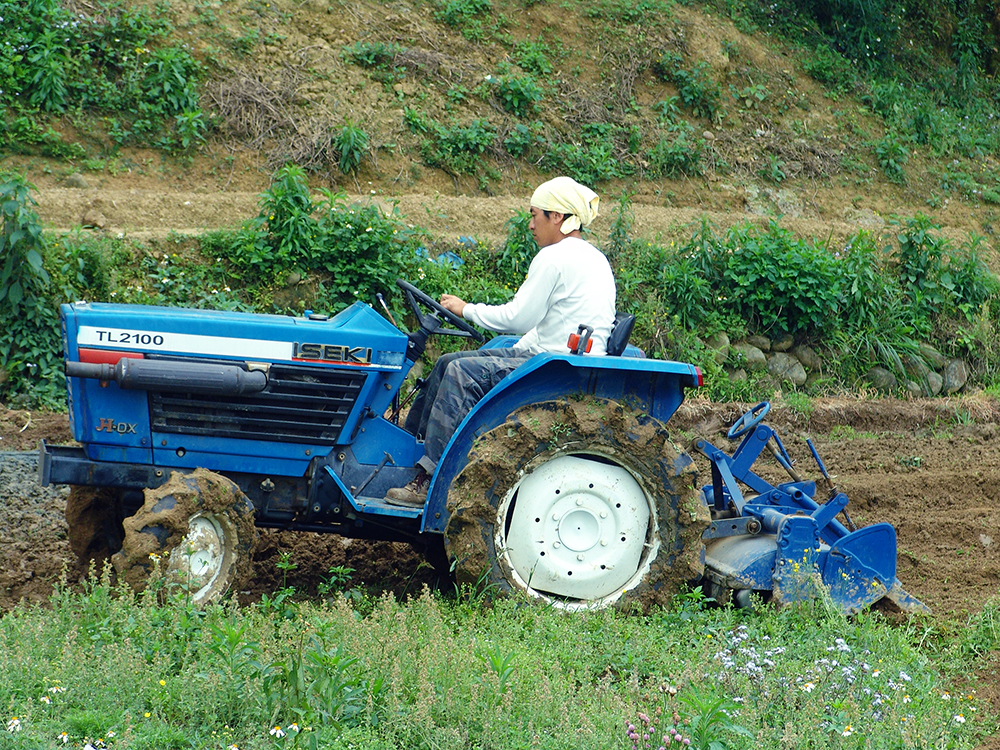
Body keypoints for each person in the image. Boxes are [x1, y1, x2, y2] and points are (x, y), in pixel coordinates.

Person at [385, 176, 617, 506]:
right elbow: (546, 324)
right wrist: (499, 349)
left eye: (535, 214)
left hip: (554, 366)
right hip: (558, 356)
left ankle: (431, 479)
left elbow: (518, 318)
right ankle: (413, 449)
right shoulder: (593, 258)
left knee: (461, 375)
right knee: (448, 362)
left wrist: (467, 309)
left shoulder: (555, 257)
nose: (531, 224)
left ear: (558, 217)